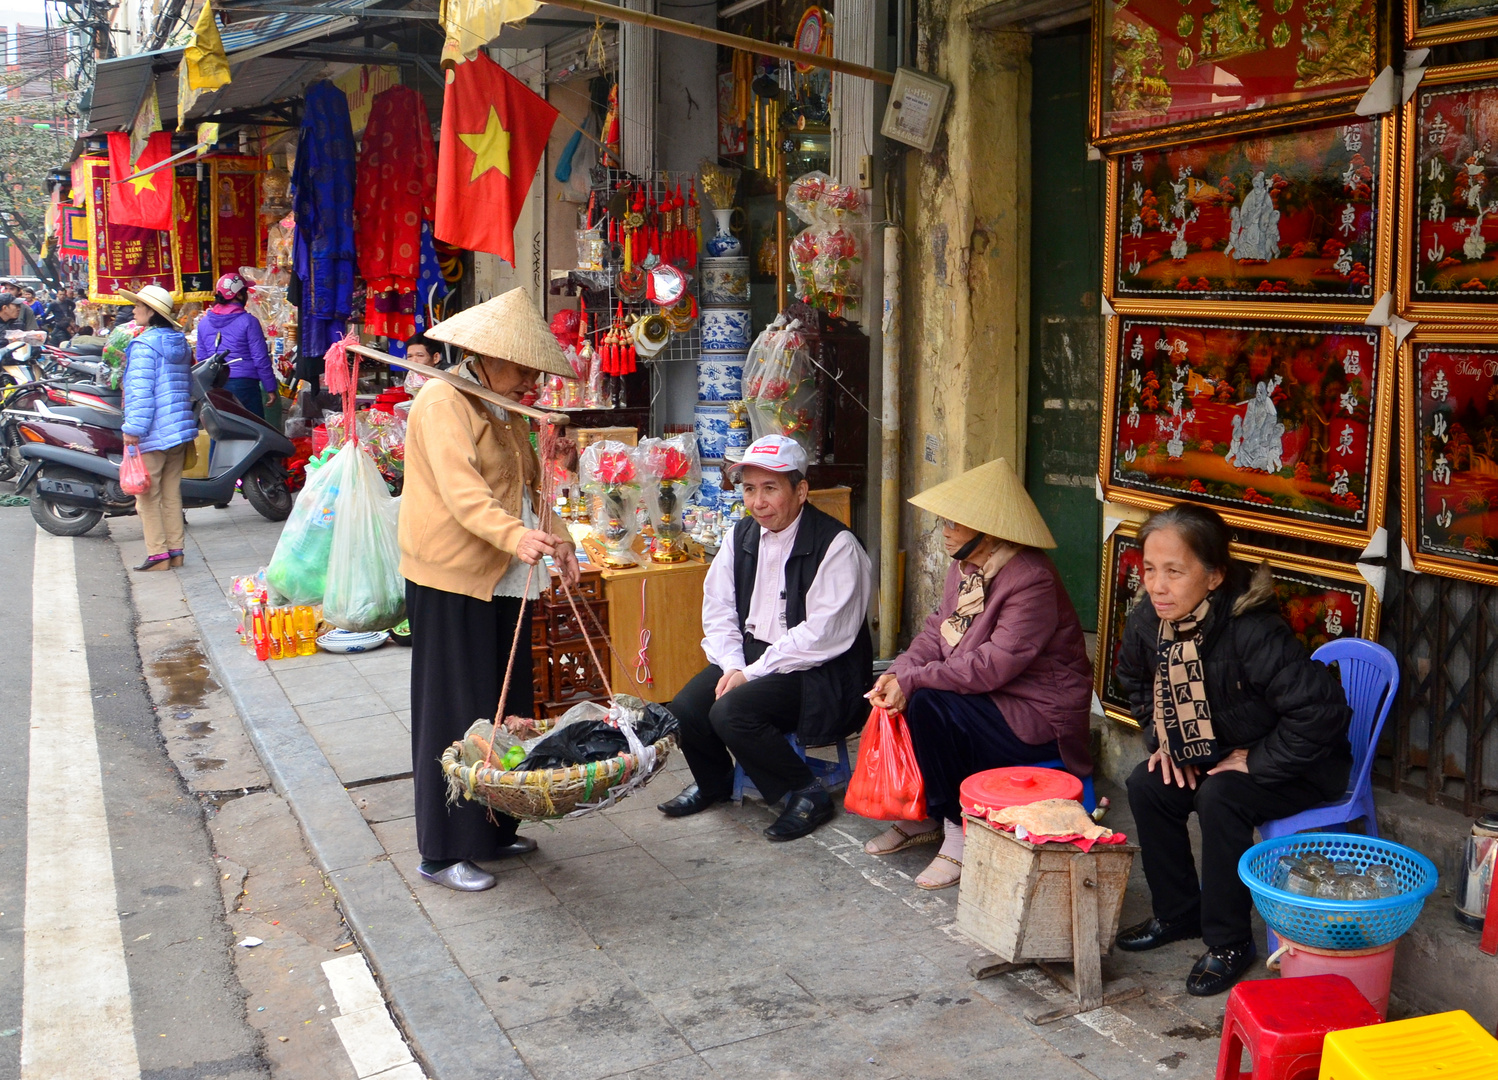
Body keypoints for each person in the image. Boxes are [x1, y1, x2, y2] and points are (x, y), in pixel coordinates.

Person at [1113, 503, 1352, 996]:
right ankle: (1177, 914)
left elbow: (1322, 713)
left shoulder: (1251, 628)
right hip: (1212, 750)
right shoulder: (1148, 622)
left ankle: (1229, 942)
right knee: (1147, 783)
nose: (1158, 586)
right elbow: (1134, 681)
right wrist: (1164, 739)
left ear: (1215, 575)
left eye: (1175, 572)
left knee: (1220, 797)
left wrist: (1257, 758)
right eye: (1150, 570)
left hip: (1298, 763)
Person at [399, 287, 582, 893]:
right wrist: (515, 536)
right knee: (453, 711)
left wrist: (558, 541)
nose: (529, 378)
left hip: (503, 577)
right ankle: (444, 848)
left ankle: (495, 828)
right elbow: (463, 492)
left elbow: (528, 490)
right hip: (453, 576)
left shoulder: (499, 404)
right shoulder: (442, 401)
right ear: (486, 354)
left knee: (502, 709)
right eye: (521, 366)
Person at [864, 457, 1093, 888]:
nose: (945, 529)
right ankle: (923, 814)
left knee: (929, 703)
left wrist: (914, 681)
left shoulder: (1031, 579)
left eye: (955, 522)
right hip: (988, 699)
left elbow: (993, 666)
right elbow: (937, 631)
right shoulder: (967, 569)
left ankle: (956, 831)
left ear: (987, 532)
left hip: (1037, 716)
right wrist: (897, 674)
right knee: (904, 693)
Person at [657, 434, 874, 842]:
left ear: (801, 490)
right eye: (750, 489)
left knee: (731, 712)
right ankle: (714, 781)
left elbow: (823, 635)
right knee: (684, 708)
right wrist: (735, 665)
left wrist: (752, 674)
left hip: (820, 671)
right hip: (757, 656)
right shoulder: (740, 536)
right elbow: (718, 608)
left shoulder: (837, 545)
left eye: (770, 488)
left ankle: (806, 793)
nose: (758, 502)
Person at [117, 285, 197, 572]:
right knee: (172, 493)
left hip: (154, 432)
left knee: (147, 497)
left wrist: (132, 430)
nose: (134, 310)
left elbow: (140, 394)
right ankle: (176, 551)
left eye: (138, 306)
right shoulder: (179, 343)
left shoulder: (144, 346)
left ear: (152, 312)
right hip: (178, 429)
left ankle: (158, 555)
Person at [195, 273, 276, 418]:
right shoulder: (249, 322)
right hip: (245, 386)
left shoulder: (204, 323)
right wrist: (270, 387)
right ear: (239, 295)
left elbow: (202, 359)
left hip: (215, 388)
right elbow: (260, 359)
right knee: (252, 431)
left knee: (221, 432)